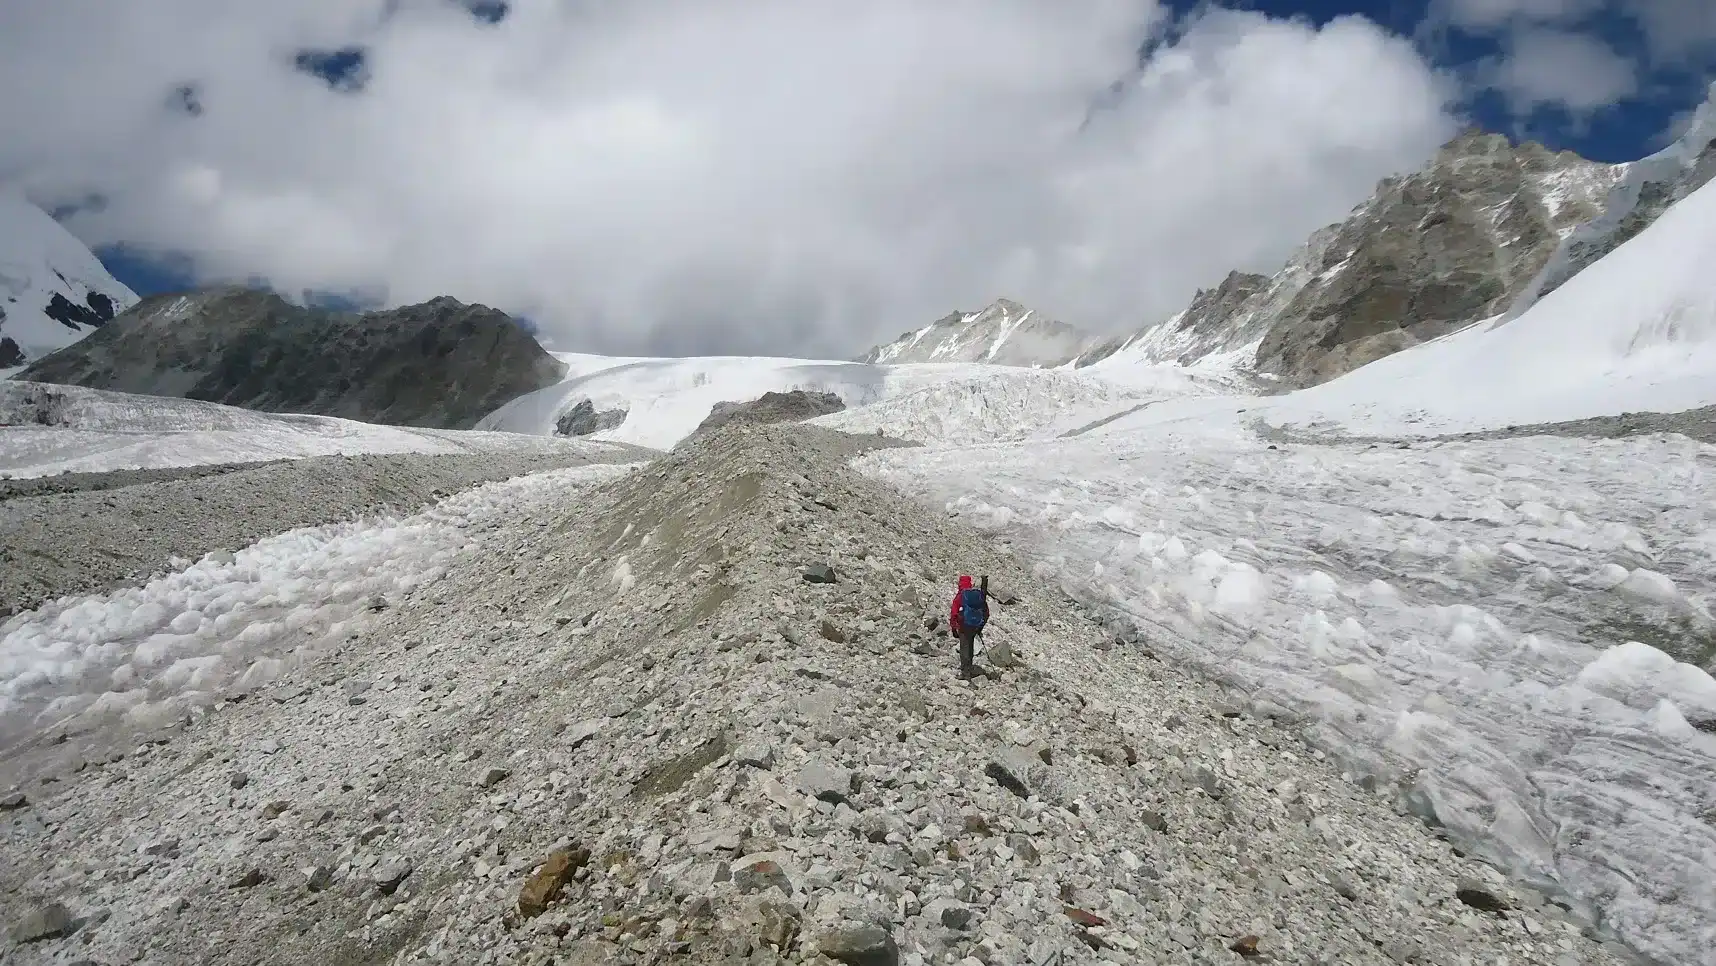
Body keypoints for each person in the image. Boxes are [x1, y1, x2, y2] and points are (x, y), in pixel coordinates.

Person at [949, 574, 989, 679]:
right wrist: (980, 626)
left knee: (964, 648)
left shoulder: (961, 596)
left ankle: (965, 673)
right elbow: (986, 612)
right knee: (970, 647)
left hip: (963, 626)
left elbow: (954, 613)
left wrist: (954, 627)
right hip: (974, 626)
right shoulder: (976, 595)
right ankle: (969, 668)